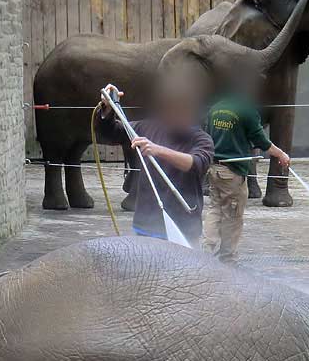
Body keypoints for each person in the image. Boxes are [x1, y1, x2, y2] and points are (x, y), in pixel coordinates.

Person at [95, 84, 213, 246]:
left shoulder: (201, 139)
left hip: (183, 227)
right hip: (146, 225)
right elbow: (111, 132)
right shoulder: (148, 127)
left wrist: (158, 150)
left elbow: (197, 163)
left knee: (183, 271)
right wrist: (107, 110)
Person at [203, 93, 290, 262]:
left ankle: (204, 252)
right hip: (232, 172)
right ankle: (228, 260)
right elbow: (261, 141)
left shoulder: (215, 108)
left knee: (215, 210)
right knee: (233, 216)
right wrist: (281, 155)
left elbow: (207, 136)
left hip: (214, 169)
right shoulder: (247, 111)